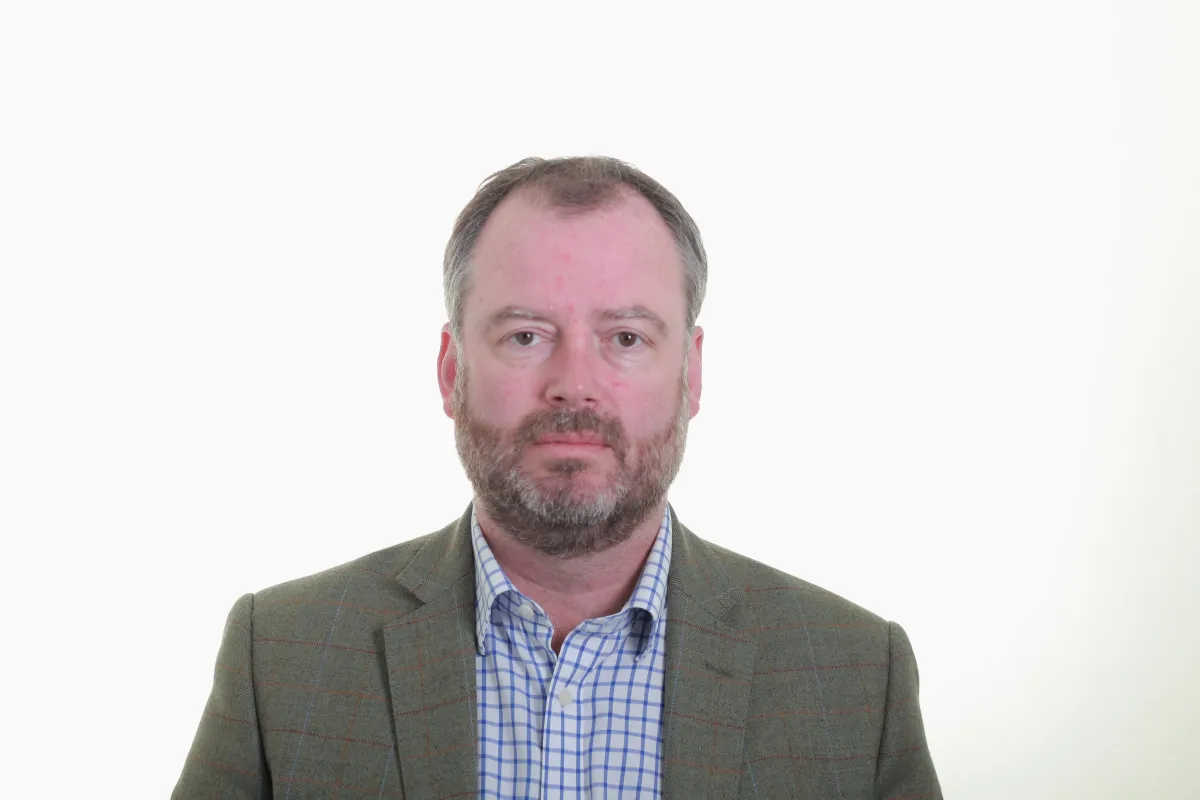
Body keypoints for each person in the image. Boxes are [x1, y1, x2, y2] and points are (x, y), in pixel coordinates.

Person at [174, 156, 942, 799]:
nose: (575, 383)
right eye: (527, 334)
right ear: (451, 371)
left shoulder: (852, 676)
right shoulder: (281, 658)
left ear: (692, 372)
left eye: (627, 337)